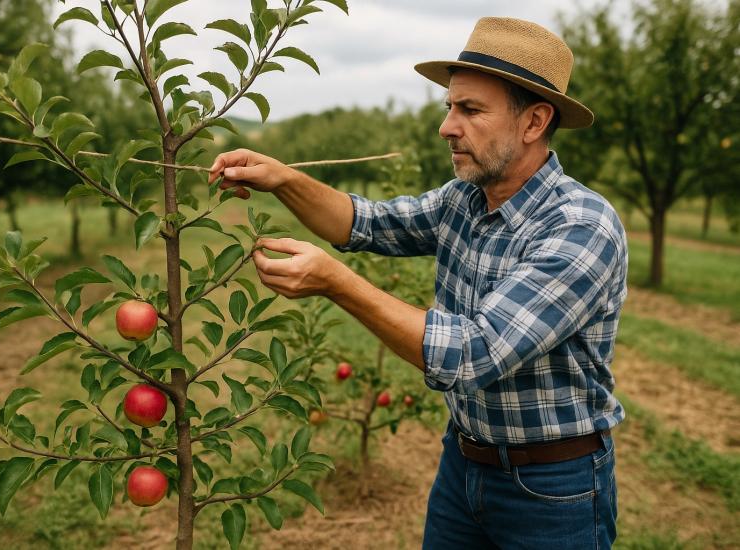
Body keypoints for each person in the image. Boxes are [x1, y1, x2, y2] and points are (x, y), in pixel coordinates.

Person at [209, 16, 627, 549]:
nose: (447, 126)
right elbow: (363, 222)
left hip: (552, 488)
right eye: (449, 107)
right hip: (464, 462)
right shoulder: (465, 201)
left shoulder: (581, 226)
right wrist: (284, 179)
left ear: (534, 122)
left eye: (470, 110)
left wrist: (338, 283)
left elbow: (473, 354)